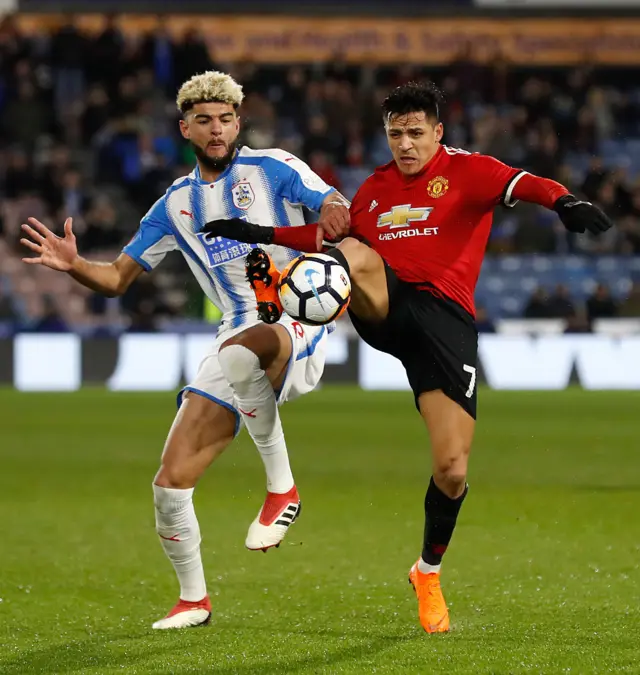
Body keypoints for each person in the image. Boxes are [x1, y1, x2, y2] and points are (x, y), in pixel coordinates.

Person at [203, 81, 614, 633]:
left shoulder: (469, 170)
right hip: (386, 307)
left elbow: (525, 182)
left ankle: (427, 571)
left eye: (416, 132)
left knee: (452, 469)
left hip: (444, 327)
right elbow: (330, 237)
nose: (405, 144)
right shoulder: (374, 189)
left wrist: (564, 200)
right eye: (395, 133)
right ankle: (280, 289)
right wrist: (258, 232)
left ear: (438, 133)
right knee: (352, 252)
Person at [20, 71, 350, 630]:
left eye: (225, 119)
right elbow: (118, 278)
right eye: (204, 121)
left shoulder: (273, 167)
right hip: (235, 336)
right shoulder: (173, 205)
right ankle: (193, 601)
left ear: (238, 124)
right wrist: (75, 264)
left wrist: (336, 212)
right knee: (170, 484)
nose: (216, 129)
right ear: (186, 128)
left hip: (297, 320)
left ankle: (281, 488)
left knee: (242, 353)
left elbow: (330, 201)